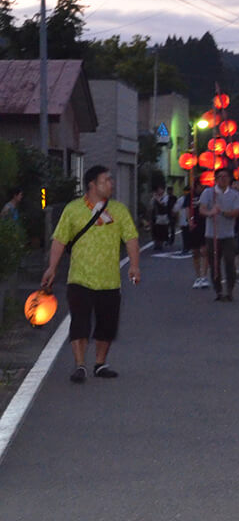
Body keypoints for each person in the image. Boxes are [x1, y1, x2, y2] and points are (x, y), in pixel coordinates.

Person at [41, 164, 140, 384]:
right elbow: (60, 240)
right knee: (80, 322)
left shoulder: (119, 210)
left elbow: (131, 238)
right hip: (80, 277)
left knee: (107, 324)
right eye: (106, 180)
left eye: (111, 180)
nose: (111, 184)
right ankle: (80, 365)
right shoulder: (73, 209)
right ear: (92, 184)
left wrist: (134, 265)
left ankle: (100, 363)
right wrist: (52, 267)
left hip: (109, 280)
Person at [199, 166, 239, 300]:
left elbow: (236, 212)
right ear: (215, 179)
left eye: (225, 177)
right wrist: (210, 213)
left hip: (228, 234)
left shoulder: (235, 194)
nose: (222, 180)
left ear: (229, 179)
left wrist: (222, 212)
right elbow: (202, 209)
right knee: (214, 264)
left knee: (230, 262)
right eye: (219, 177)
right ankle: (218, 291)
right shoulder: (208, 193)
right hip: (212, 235)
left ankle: (229, 290)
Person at [178, 182, 209, 288]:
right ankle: (198, 276)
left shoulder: (208, 194)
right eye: (200, 186)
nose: (202, 188)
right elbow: (187, 209)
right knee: (195, 252)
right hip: (194, 226)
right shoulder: (189, 196)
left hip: (206, 224)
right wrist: (189, 220)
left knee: (204, 251)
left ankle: (204, 276)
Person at [149, 182, 176, 256]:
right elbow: (151, 207)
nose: (160, 191)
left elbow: (163, 204)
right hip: (155, 216)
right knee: (155, 230)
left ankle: (160, 244)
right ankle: (156, 243)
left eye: (161, 189)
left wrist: (156, 198)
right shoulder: (154, 198)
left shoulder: (165, 197)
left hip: (163, 216)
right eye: (158, 189)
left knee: (162, 230)